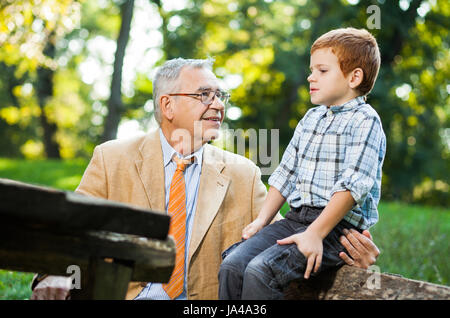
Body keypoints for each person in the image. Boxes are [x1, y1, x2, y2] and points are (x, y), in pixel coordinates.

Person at [31, 57, 380, 300]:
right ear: (167, 107)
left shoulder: (242, 174)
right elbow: (73, 232)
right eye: (204, 95)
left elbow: (287, 243)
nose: (217, 104)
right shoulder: (112, 158)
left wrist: (349, 257)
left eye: (220, 96)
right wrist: (57, 273)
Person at [219, 28, 386, 300]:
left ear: (354, 77)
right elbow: (286, 173)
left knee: (261, 271)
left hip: (334, 228)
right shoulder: (311, 118)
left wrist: (315, 234)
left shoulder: (365, 121)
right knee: (233, 265)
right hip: (296, 218)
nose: (311, 77)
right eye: (312, 70)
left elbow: (352, 187)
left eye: (322, 71)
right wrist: (261, 221)